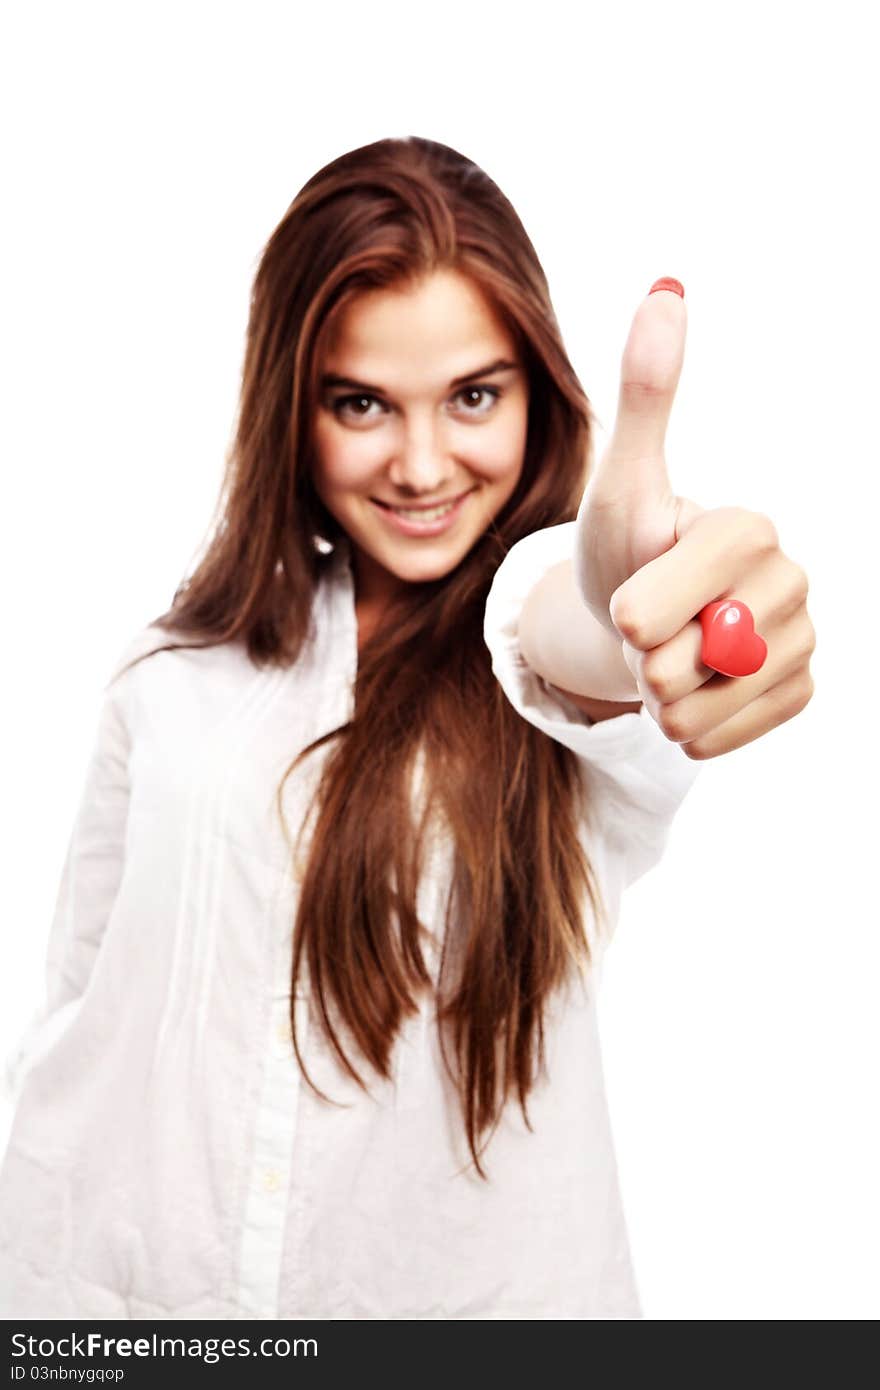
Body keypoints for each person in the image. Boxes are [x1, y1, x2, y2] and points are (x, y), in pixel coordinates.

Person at [0, 135, 815, 1320]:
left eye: (473, 395)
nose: (422, 464)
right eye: (362, 403)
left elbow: (569, 642)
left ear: (535, 396)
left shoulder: (537, 651)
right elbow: (77, 1009)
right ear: (295, 405)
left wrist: (635, 613)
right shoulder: (167, 677)